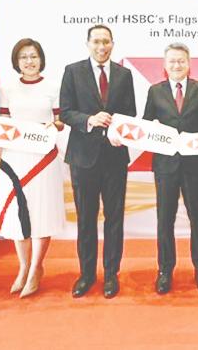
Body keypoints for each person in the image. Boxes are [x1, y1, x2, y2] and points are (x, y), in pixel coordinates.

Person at [142, 42, 198, 295]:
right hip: (165, 165)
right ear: (164, 65)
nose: (177, 65)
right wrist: (121, 130)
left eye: (181, 61)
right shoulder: (155, 91)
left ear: (189, 63)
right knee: (164, 219)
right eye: (172, 61)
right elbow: (146, 125)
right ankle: (164, 271)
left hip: (194, 164)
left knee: (197, 217)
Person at [60, 25, 136, 299]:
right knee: (86, 219)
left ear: (112, 44)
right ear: (88, 43)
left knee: (114, 219)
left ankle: (111, 274)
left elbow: (130, 114)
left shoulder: (124, 74)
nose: (101, 46)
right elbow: (66, 112)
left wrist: (119, 128)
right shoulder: (72, 71)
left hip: (115, 156)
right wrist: (89, 120)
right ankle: (86, 274)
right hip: (83, 158)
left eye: (106, 42)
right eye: (96, 41)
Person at [0, 38, 65, 298]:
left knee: (40, 213)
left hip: (43, 158)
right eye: (23, 57)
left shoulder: (53, 86)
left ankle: (36, 268)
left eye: (33, 56)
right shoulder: (8, 88)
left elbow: (60, 121)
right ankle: (23, 267)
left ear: (41, 59)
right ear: (16, 61)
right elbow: (2, 122)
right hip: (15, 157)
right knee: (18, 214)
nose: (29, 61)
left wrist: (53, 127)